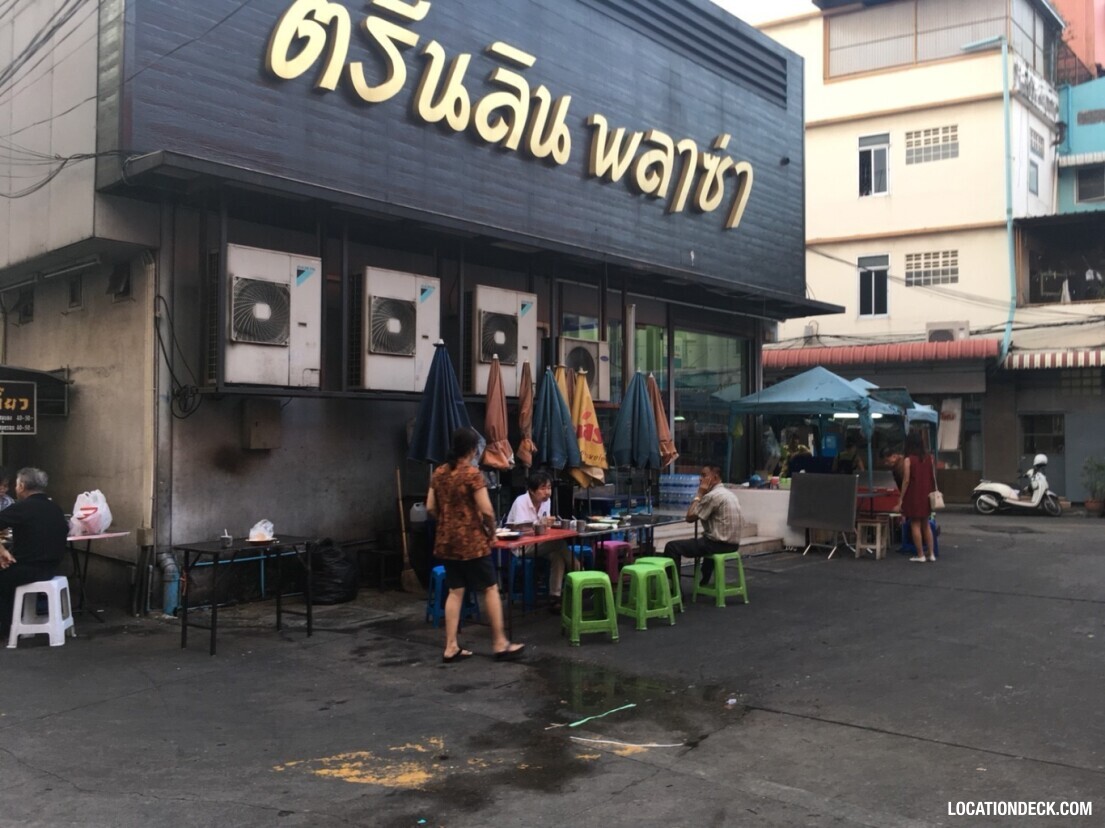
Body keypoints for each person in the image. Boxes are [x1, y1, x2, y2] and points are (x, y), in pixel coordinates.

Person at [426, 427, 524, 663]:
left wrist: (446, 522)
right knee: (490, 588)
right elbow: (487, 510)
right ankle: (500, 642)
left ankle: (451, 646)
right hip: (472, 542)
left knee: (455, 591)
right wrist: (491, 531)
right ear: (472, 449)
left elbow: (430, 507)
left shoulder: (439, 473)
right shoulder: (472, 474)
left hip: (446, 542)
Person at [0, 468, 69, 637]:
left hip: (27, 569)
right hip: (52, 567)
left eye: (16, 485)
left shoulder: (22, 507)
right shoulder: (55, 508)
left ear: (22, 486)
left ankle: (5, 628)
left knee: (3, 580)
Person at [505, 470, 577, 613]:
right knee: (559, 544)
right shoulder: (521, 502)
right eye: (543, 488)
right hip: (522, 546)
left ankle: (554, 598)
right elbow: (519, 528)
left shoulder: (546, 502)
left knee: (558, 556)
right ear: (532, 490)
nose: (547, 492)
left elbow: (545, 528)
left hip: (540, 545)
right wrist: (540, 522)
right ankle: (579, 570)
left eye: (549, 488)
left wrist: (548, 523)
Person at [664, 464, 742, 585]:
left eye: (704, 476)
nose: (700, 479)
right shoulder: (729, 494)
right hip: (733, 544)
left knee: (672, 547)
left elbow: (689, 517)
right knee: (706, 540)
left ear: (714, 478)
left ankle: (675, 589)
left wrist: (699, 494)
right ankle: (704, 580)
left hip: (718, 544)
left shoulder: (712, 496)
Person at [896, 432, 937, 562]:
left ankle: (920, 555)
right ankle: (931, 554)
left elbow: (906, 480)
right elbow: (933, 477)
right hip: (926, 495)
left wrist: (901, 498)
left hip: (914, 495)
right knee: (926, 525)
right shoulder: (929, 458)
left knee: (915, 524)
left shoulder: (908, 460)